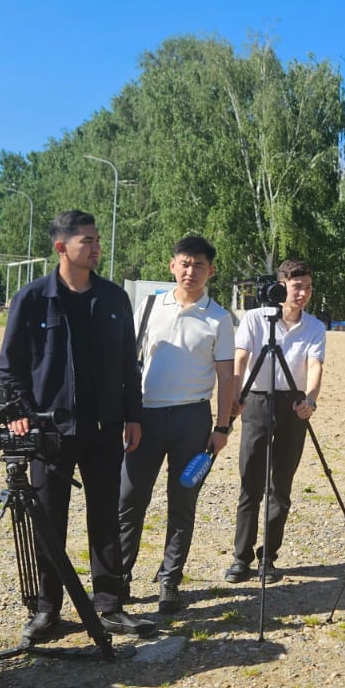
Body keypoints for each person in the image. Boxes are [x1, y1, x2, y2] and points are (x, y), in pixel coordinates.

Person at [0, 211, 153, 643]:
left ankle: (110, 604)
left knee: (105, 517)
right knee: (49, 520)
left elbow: (128, 365)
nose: (96, 247)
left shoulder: (114, 299)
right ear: (61, 247)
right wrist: (20, 412)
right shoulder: (32, 299)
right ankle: (48, 610)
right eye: (87, 241)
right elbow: (10, 367)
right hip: (49, 434)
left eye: (97, 240)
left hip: (105, 429)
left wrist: (133, 415)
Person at [119, 235, 235, 615]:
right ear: (172, 265)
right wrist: (127, 414)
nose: (190, 271)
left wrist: (222, 428)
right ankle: (119, 579)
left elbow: (226, 376)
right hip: (146, 418)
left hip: (192, 421)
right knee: (129, 499)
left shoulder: (219, 318)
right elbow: (128, 363)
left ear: (211, 271)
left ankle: (170, 580)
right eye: (184, 263)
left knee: (183, 502)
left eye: (199, 265)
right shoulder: (149, 307)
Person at [224, 261, 325, 584]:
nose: (303, 294)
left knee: (280, 486)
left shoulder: (314, 327)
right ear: (282, 287)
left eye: (308, 287)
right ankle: (241, 558)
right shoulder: (255, 319)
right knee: (250, 482)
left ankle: (269, 557)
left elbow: (315, 366)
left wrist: (310, 400)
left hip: (292, 405)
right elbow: (240, 358)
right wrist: (234, 397)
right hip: (256, 400)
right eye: (297, 287)